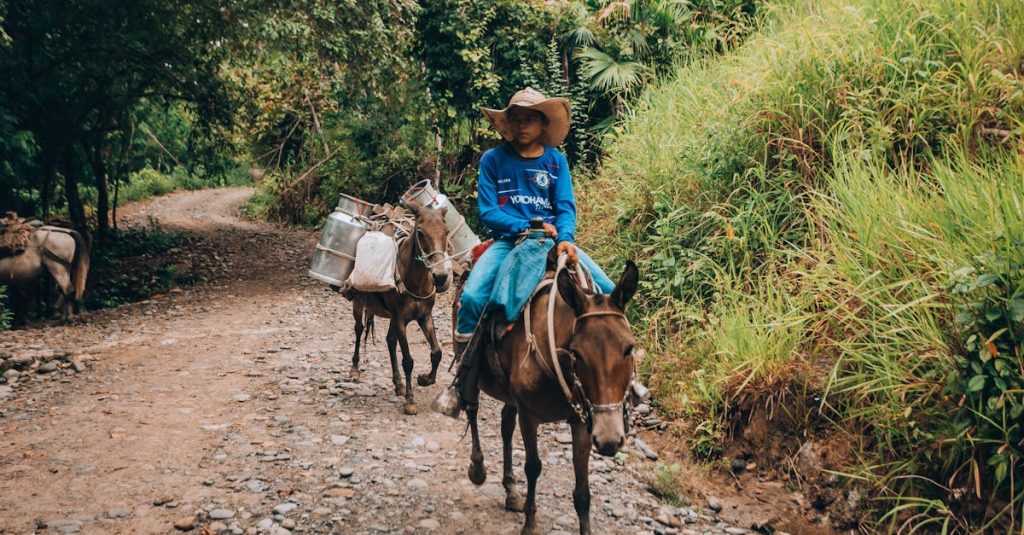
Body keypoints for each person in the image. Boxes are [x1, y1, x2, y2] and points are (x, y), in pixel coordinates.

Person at [432, 87, 615, 418]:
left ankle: (622, 383)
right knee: (472, 298)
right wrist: (524, 227)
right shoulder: (492, 160)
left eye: (530, 118)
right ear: (508, 123)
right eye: (516, 118)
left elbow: (565, 207)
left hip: (552, 243)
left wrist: (566, 237)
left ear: (543, 124)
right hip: (507, 243)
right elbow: (488, 212)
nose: (522, 125)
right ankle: (463, 382)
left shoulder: (556, 161)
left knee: (609, 291)